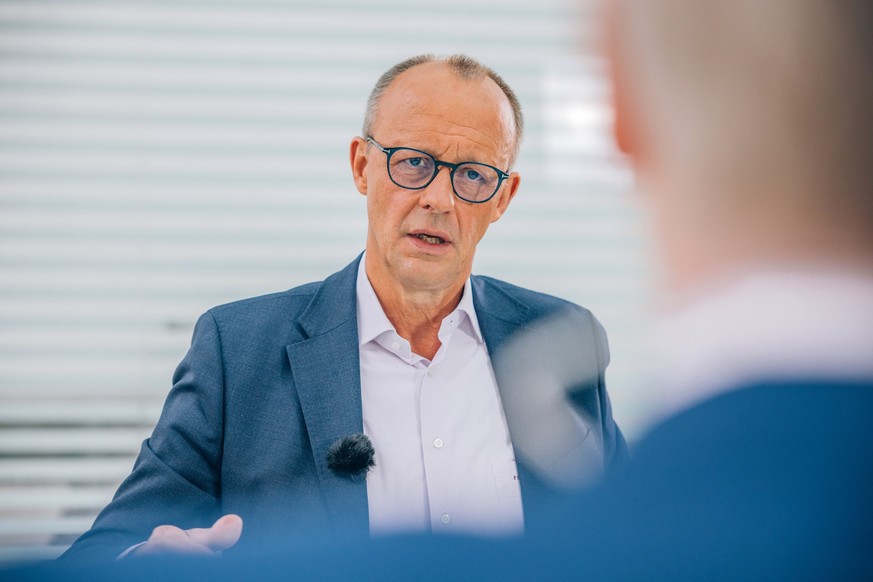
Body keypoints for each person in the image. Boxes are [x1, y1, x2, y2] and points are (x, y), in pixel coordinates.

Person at [58, 54, 627, 564]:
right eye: (413, 163)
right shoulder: (238, 352)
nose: (438, 199)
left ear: (503, 197)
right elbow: (102, 554)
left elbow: (622, 535)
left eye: (473, 175)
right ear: (361, 166)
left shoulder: (558, 338)